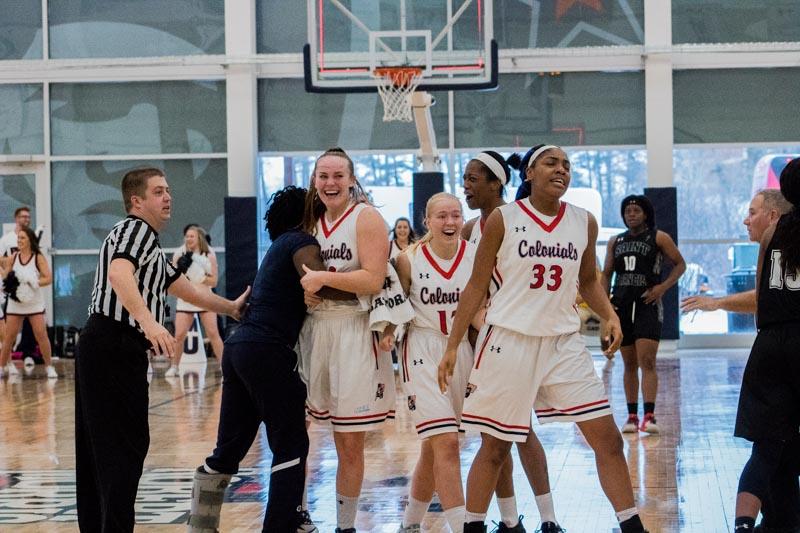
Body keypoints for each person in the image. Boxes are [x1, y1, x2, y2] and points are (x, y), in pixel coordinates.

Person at [439, 144, 649, 533]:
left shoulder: (583, 221)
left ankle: (632, 526)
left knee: (608, 439)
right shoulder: (503, 219)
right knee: (496, 447)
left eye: (567, 166)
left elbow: (587, 280)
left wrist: (610, 315)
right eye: (552, 163)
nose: (562, 170)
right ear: (530, 173)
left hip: (563, 343)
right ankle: (472, 526)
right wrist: (452, 345)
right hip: (509, 340)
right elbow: (474, 286)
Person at [74, 167, 248, 532]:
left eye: (168, 190)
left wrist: (230, 307)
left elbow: (186, 289)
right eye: (158, 192)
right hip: (112, 342)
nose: (167, 197)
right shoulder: (135, 230)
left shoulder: (147, 243)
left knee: (108, 451)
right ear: (136, 202)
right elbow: (119, 275)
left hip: (107, 346)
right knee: (121, 450)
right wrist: (150, 323)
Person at [187, 185, 353, 532]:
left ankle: (201, 525)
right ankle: (282, 525)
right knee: (291, 442)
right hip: (267, 351)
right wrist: (368, 286)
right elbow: (316, 283)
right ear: (307, 214)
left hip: (239, 348)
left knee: (230, 447)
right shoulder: (299, 242)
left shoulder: (277, 247)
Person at [463, 150, 562, 532]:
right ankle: (509, 518)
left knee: (519, 431)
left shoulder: (521, 218)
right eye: (465, 178)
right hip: (483, 340)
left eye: (473, 179)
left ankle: (547, 518)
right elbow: (469, 286)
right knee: (497, 434)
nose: (466, 186)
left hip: (519, 338)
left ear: (495, 183)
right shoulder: (473, 228)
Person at [296, 147, 392, 533]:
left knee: (348, 442)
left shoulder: (367, 218)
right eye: (324, 176)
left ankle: (346, 526)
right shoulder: (309, 222)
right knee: (296, 435)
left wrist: (323, 279)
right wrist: (302, 292)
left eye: (338, 176)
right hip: (313, 330)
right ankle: (299, 515)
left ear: (351, 179)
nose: (331, 183)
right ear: (315, 181)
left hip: (355, 329)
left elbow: (372, 278)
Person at [380, 193, 476, 532]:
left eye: (456, 215)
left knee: (434, 447)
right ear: (427, 221)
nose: (450, 222)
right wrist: (387, 331)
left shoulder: (476, 256)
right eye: (442, 216)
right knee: (446, 442)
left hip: (462, 349)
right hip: (421, 349)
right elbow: (394, 305)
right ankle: (461, 526)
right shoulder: (408, 260)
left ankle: (409, 524)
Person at [733, 158, 800, 533]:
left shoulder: (772, 232)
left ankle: (745, 524)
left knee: (768, 445)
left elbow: (762, 295)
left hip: (770, 343)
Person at [601, 195, 686, 434]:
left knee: (647, 361)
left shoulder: (659, 237)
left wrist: (662, 287)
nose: (631, 214)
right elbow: (606, 273)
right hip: (621, 304)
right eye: (627, 211)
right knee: (628, 363)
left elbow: (680, 264)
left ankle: (649, 416)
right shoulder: (615, 241)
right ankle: (631, 416)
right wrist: (605, 308)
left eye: (636, 210)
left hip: (647, 304)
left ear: (645, 214)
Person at [681, 189, 791, 315]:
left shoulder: (782, 251)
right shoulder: (772, 249)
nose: (746, 221)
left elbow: (765, 299)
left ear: (772, 216)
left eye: (752, 213)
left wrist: (717, 303)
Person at [166, 224, 225, 376]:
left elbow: (214, 282)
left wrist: (198, 275)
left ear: (199, 238)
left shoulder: (209, 255)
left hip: (205, 298)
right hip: (186, 299)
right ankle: (174, 367)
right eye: (187, 236)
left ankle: (225, 366)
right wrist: (182, 270)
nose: (189, 239)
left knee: (213, 333)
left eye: (192, 236)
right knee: (179, 335)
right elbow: (173, 276)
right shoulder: (179, 253)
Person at [0, 226, 57, 378]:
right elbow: (5, 274)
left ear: (30, 240)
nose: (19, 241)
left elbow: (48, 278)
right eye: (18, 238)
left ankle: (49, 366)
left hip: (34, 302)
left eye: (23, 238)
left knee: (41, 334)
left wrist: (33, 282)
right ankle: (2, 366)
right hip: (16, 302)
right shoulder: (13, 257)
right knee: (9, 337)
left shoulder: (38, 257)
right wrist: (7, 284)